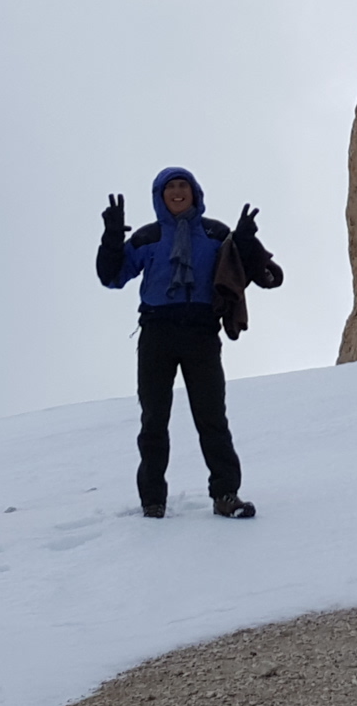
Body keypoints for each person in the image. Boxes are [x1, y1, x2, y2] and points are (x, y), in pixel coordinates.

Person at [97, 167, 280, 519]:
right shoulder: (148, 237)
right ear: (159, 196)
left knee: (212, 418)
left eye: (184, 185)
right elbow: (111, 276)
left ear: (195, 192)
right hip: (157, 332)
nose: (178, 191)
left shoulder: (215, 233)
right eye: (170, 187)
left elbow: (249, 272)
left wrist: (243, 241)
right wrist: (112, 237)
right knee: (154, 420)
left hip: (201, 333)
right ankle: (153, 502)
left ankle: (226, 494)